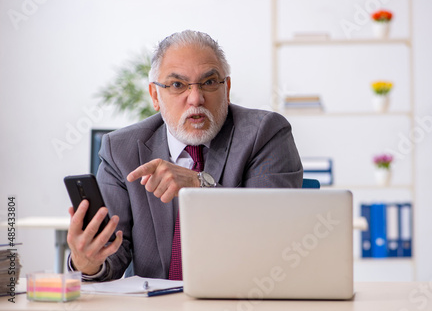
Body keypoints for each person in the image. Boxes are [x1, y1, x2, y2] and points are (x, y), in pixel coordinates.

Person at [66, 30, 303, 282]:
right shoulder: (120, 150)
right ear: (155, 96)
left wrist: (198, 184)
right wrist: (87, 262)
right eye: (177, 85)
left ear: (227, 88)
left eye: (209, 82)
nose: (196, 98)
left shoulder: (265, 133)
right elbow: (112, 253)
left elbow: (273, 231)